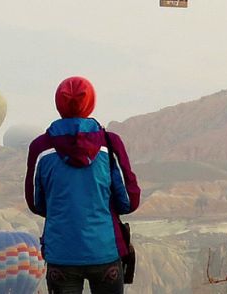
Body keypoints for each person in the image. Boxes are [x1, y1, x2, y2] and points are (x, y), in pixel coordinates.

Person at [24, 76, 140, 293]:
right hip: (104, 250)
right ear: (91, 104)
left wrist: (62, 210)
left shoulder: (40, 148)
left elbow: (35, 203)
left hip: (61, 253)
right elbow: (129, 201)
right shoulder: (110, 143)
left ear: (58, 104)